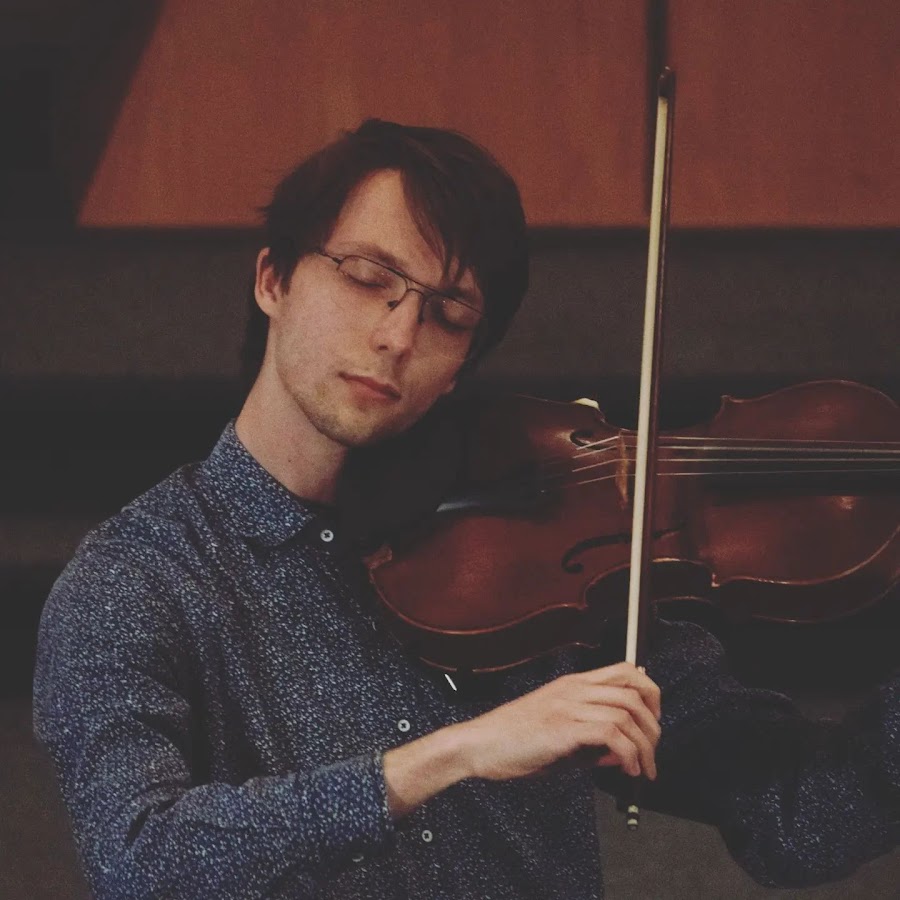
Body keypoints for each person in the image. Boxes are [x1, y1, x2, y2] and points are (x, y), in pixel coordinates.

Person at [33, 120, 900, 900]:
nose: (398, 336)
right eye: (369, 277)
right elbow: (137, 861)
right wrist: (451, 756)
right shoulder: (136, 580)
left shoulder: (547, 553)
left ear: (461, 367)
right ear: (273, 279)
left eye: (448, 316)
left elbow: (801, 817)